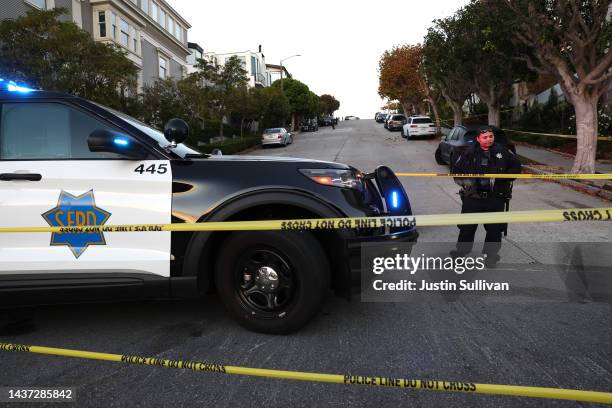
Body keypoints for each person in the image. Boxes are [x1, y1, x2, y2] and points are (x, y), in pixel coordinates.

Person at [450, 127, 521, 267]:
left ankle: (491, 256)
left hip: (496, 198)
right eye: (485, 137)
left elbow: (516, 168)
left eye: (491, 136)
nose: (489, 139)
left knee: (494, 229)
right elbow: (456, 171)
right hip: (473, 198)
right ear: (478, 139)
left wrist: (504, 178)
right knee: (467, 228)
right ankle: (461, 253)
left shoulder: (503, 151)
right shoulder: (467, 152)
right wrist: (467, 183)